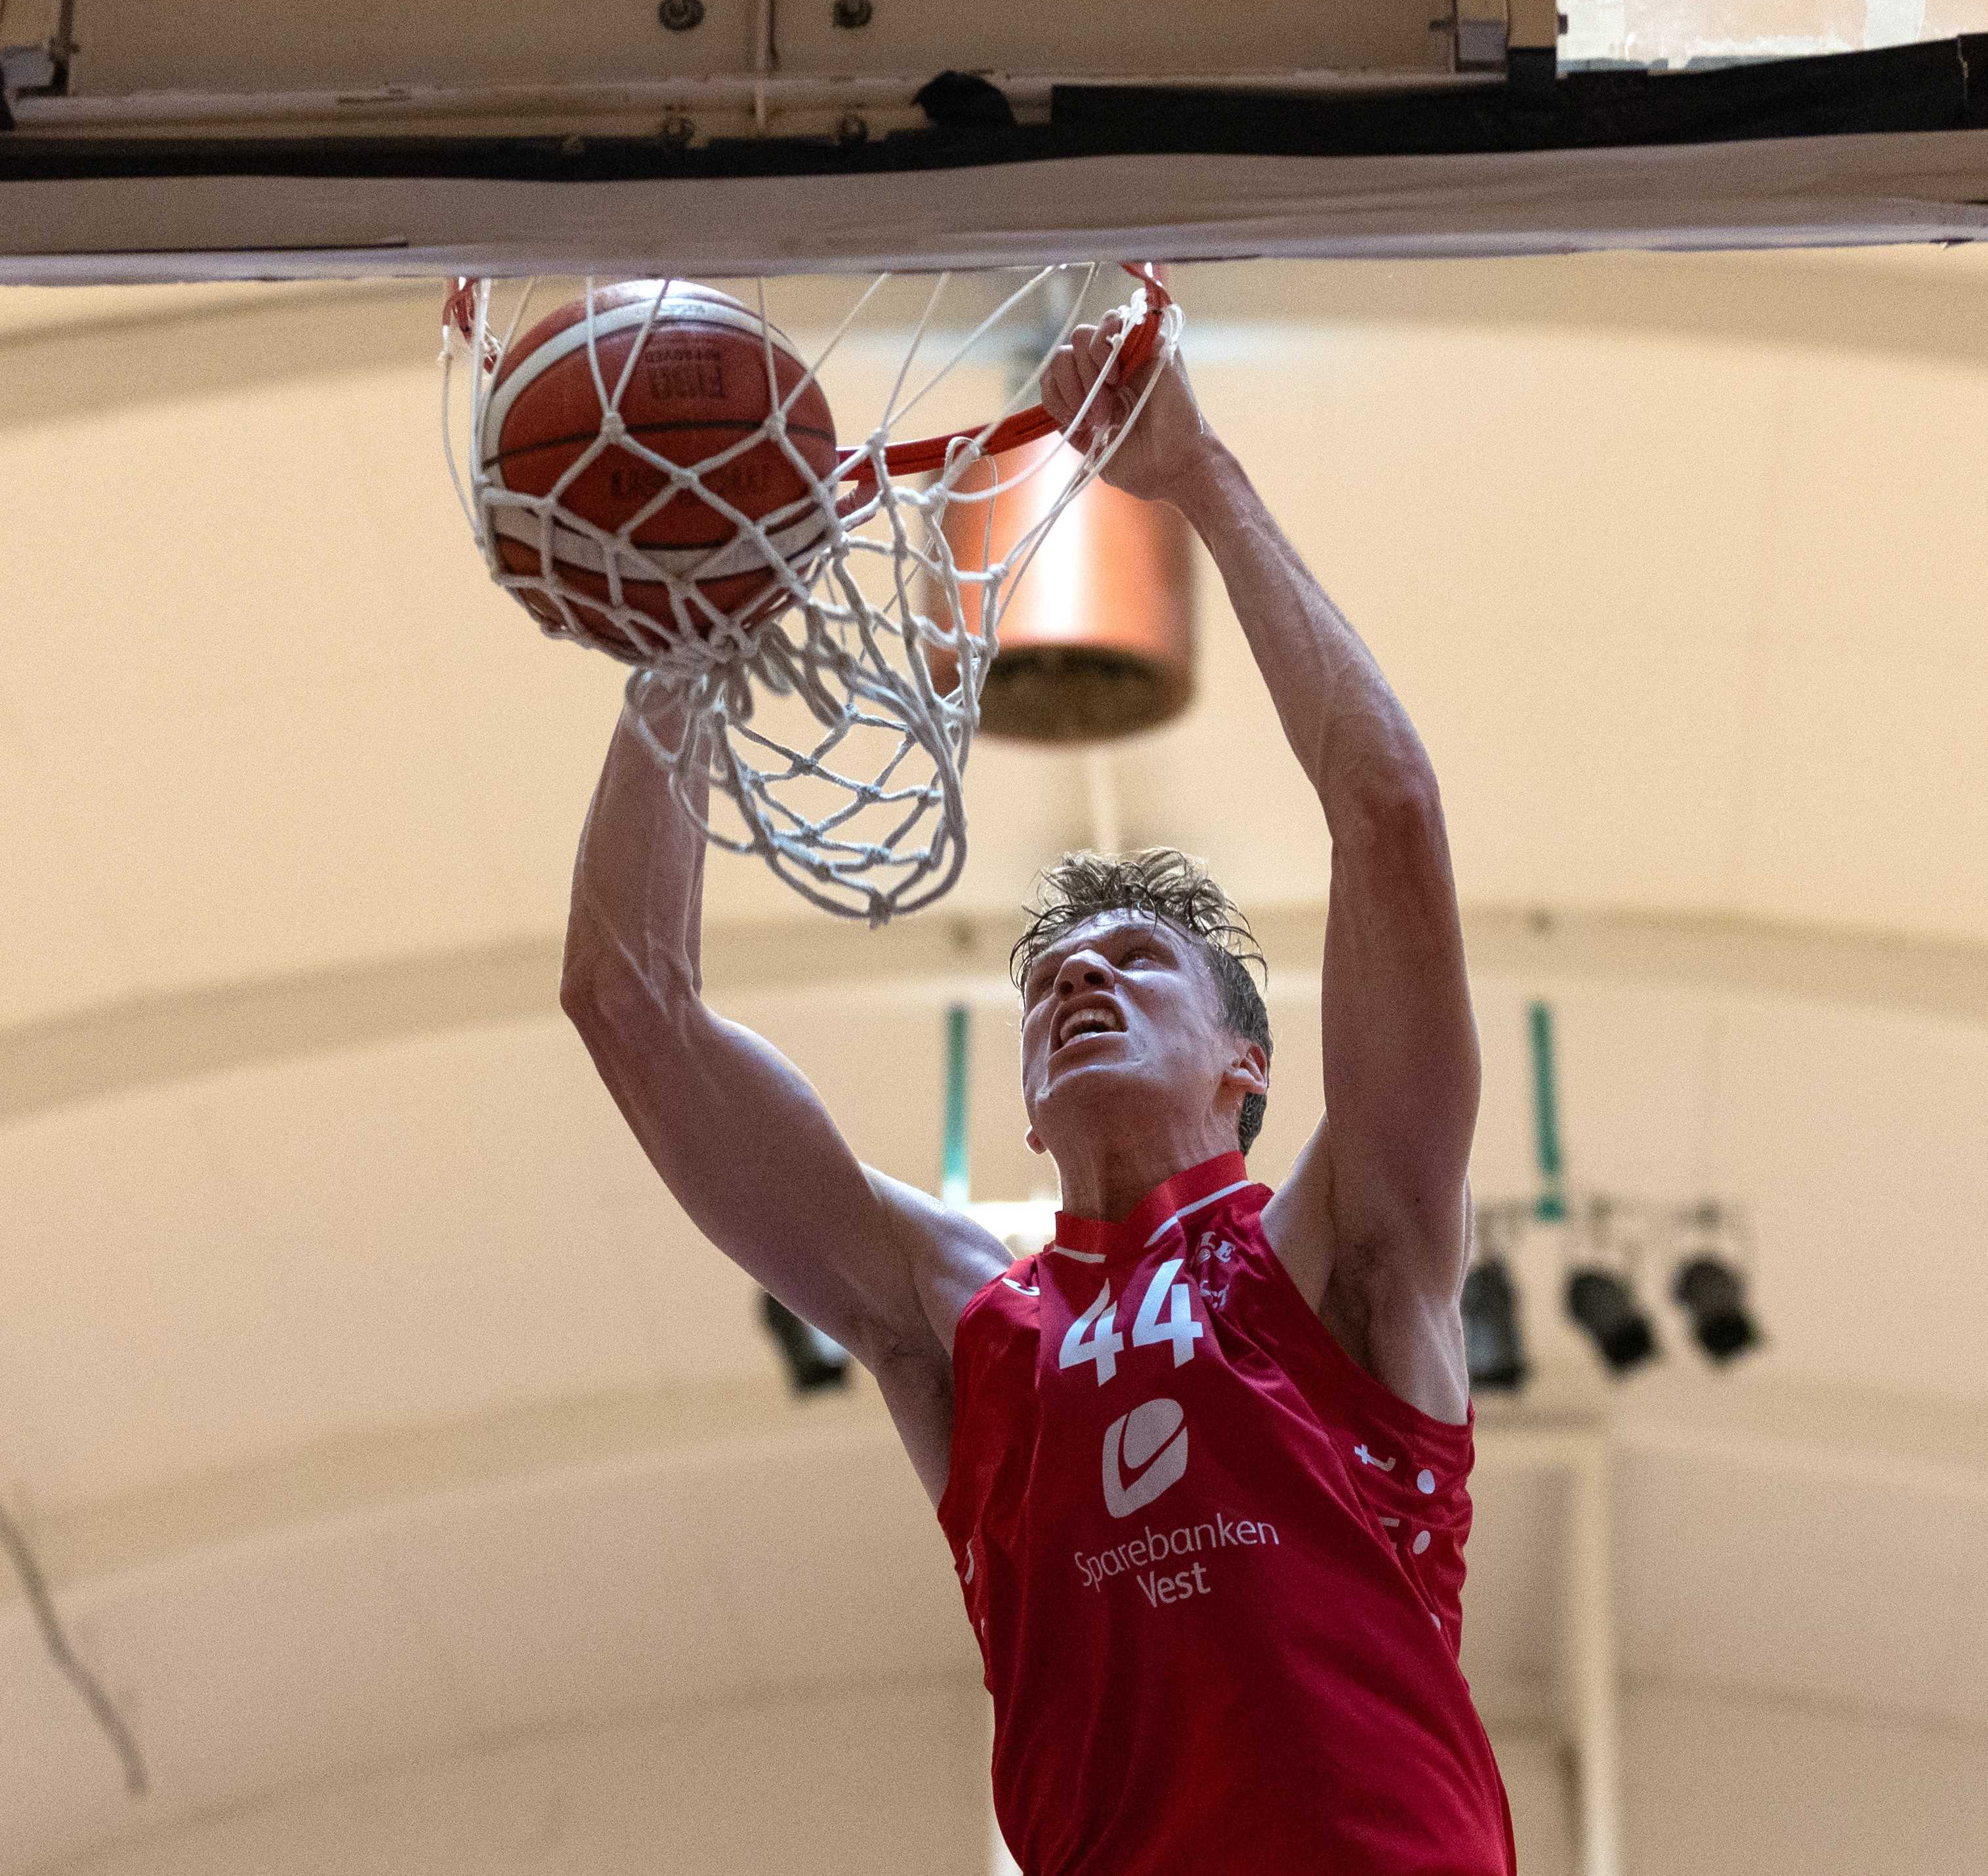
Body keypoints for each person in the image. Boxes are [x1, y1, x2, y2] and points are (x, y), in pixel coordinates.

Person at [561, 315, 1514, 1875]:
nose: (1079, 978)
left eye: (1136, 959)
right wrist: (686, 640)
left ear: (1244, 1066)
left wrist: (1199, 476)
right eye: (1047, 978)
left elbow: (1390, 815)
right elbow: (627, 1001)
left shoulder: (1353, 1246)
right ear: (1022, 1104)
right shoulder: (961, 1313)